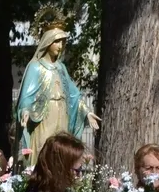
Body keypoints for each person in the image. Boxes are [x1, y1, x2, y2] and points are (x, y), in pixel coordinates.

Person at [14, 13, 100, 166]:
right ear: (48, 42)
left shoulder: (61, 68)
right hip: (44, 116)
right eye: (57, 42)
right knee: (45, 150)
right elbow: (27, 96)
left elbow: (73, 94)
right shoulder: (36, 67)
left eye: (62, 42)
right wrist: (25, 110)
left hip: (62, 114)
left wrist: (87, 111)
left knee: (61, 150)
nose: (60, 46)